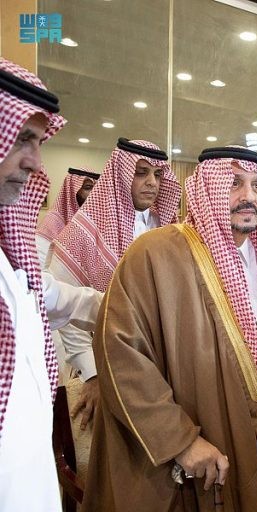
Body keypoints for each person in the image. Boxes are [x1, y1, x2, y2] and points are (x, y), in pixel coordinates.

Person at [83, 146, 257, 511]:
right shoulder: (157, 253)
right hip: (205, 440)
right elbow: (120, 353)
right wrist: (180, 441)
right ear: (208, 187)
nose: (249, 196)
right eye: (234, 183)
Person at [0, 57, 102, 511]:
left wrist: (139, 302)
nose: (36, 162)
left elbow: (63, 298)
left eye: (38, 143)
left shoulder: (11, 262)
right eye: (22, 138)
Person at [48, 137, 181, 430]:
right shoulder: (82, 232)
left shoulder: (166, 230)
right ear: (121, 174)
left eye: (158, 175)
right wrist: (92, 373)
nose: (152, 183)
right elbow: (64, 309)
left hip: (155, 369)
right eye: (141, 172)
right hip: (101, 367)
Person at [35, 166, 99, 266]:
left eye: (96, 188)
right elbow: (40, 263)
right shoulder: (52, 222)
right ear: (72, 190)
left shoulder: (92, 221)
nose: (94, 192)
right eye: (88, 187)